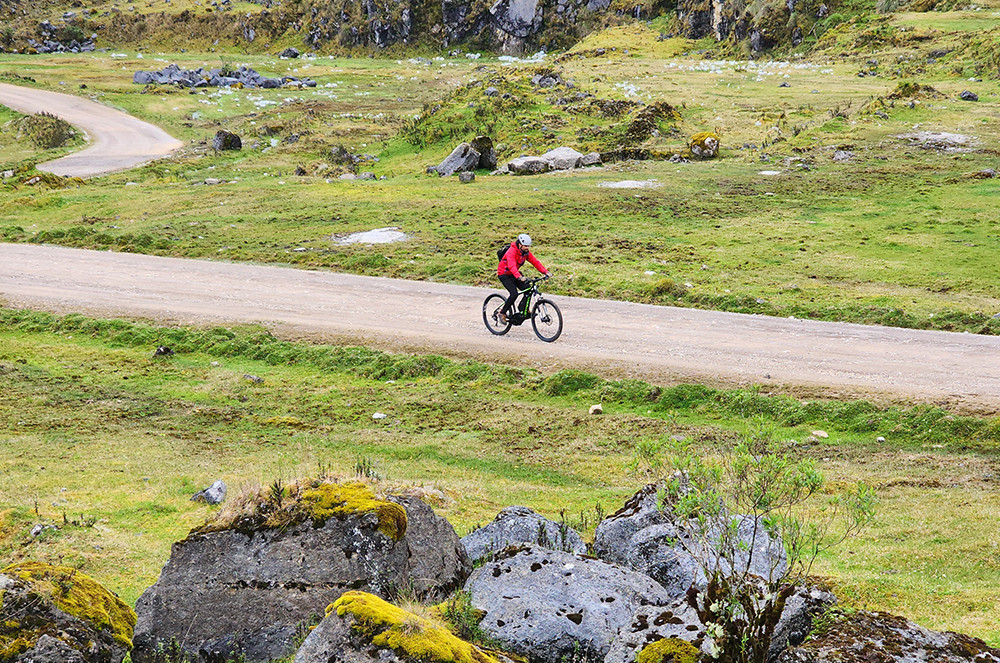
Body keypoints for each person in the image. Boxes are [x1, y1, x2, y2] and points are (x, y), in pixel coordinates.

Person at [497, 233, 549, 324]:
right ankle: (502, 313)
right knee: (514, 294)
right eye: (525, 246)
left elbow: (535, 262)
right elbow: (511, 265)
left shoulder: (525, 253)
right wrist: (519, 277)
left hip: (515, 274)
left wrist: (545, 272)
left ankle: (523, 309)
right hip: (504, 274)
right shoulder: (511, 251)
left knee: (528, 290)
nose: (527, 248)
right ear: (520, 244)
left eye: (528, 246)